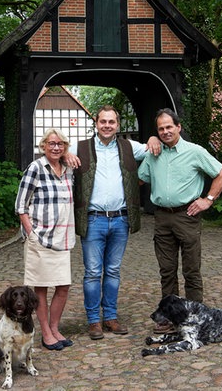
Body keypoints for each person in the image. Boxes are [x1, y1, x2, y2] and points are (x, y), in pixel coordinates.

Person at [69, 105, 161, 340]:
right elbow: (52, 148)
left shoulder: (130, 147)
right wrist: (65, 154)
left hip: (120, 219)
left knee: (112, 271)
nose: (107, 126)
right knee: (92, 272)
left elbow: (154, 148)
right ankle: (93, 321)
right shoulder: (79, 148)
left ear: (117, 125)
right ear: (96, 123)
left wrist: (152, 136)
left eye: (111, 122)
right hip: (93, 220)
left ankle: (110, 317)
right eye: (103, 122)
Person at [138, 108, 222, 333]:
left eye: (169, 127)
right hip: (161, 216)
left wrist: (208, 199)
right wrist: (147, 143)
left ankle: (197, 317)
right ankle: (169, 317)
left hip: (187, 216)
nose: (166, 131)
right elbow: (138, 179)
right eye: (161, 129)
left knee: (191, 270)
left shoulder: (195, 151)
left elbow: (221, 173)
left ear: (179, 127)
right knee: (166, 271)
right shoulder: (153, 153)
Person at [15, 128, 76, 351]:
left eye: (60, 144)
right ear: (44, 146)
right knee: (40, 288)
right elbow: (20, 205)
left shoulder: (69, 169)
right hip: (40, 239)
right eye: (51, 143)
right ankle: (46, 333)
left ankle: (55, 327)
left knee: (63, 286)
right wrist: (31, 233)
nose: (56, 147)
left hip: (63, 238)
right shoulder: (36, 168)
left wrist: (69, 156)